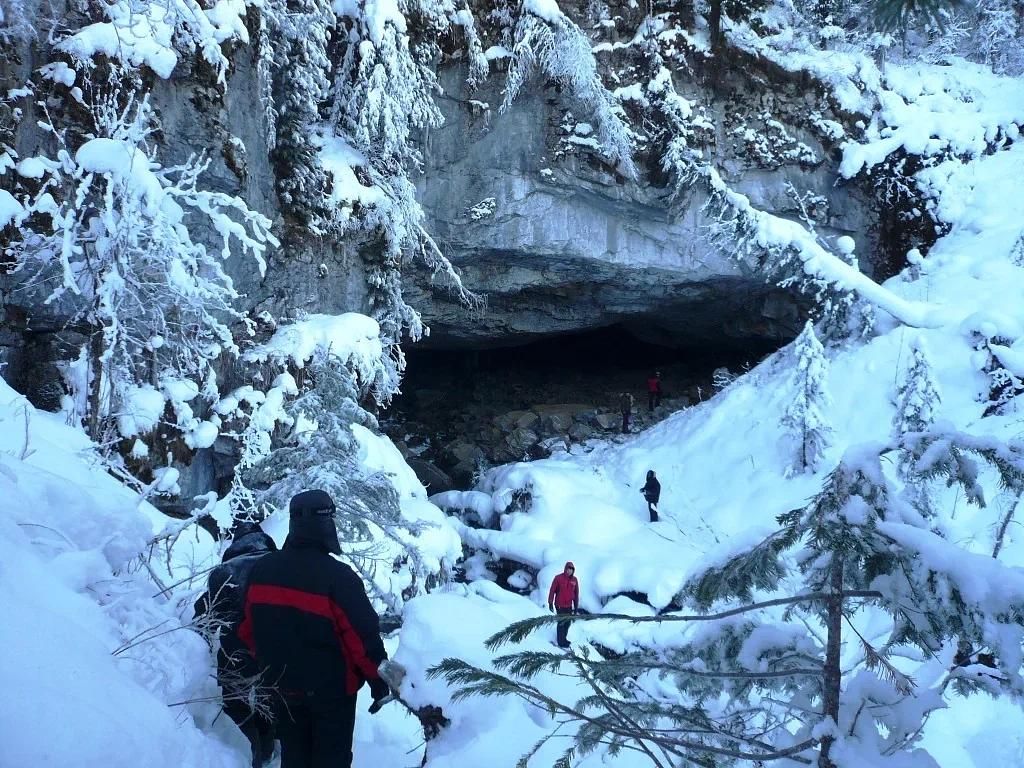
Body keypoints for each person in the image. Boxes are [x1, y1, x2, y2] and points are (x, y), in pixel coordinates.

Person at [238, 490, 391, 768]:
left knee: (295, 758)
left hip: (281, 686)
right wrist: (380, 682)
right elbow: (362, 640)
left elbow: (248, 631)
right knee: (331, 760)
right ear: (327, 523)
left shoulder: (262, 570)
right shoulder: (338, 578)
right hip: (332, 694)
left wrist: (264, 668)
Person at [194, 521, 278, 768]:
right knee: (269, 699)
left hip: (235, 650)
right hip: (274, 650)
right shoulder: (280, 566)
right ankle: (268, 748)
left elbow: (205, 615)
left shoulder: (224, 572)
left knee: (235, 701)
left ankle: (247, 752)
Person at [547, 561, 579, 649]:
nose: (569, 571)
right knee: (561, 622)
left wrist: (576, 607)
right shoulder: (558, 578)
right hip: (559, 605)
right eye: (568, 569)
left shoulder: (574, 580)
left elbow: (576, 594)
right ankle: (561, 642)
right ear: (565, 569)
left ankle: (563, 639)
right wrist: (550, 602)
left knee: (567, 623)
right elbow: (552, 590)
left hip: (569, 605)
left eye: (571, 570)